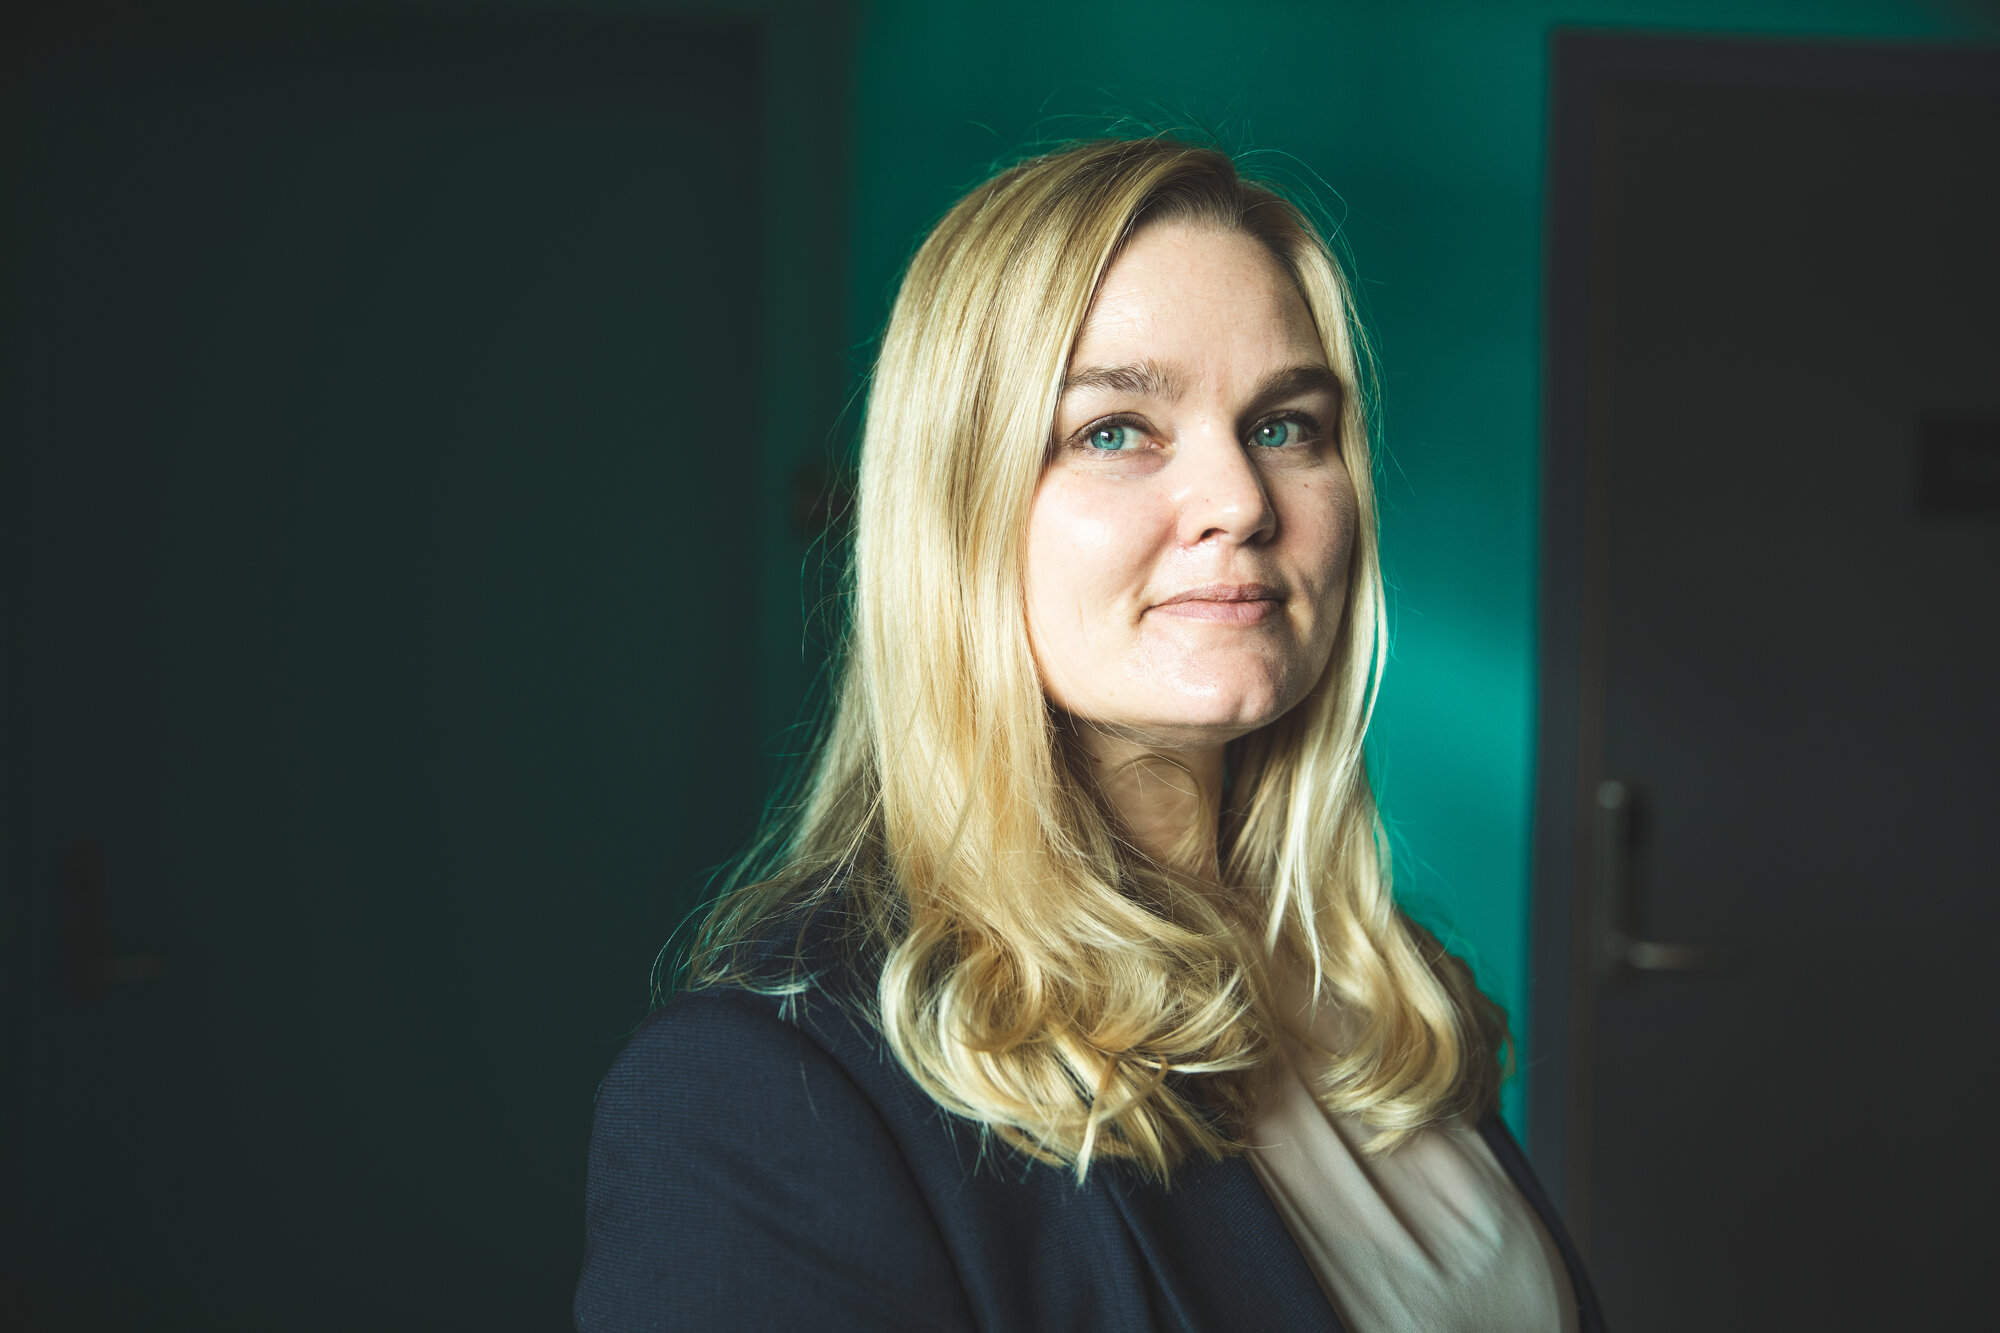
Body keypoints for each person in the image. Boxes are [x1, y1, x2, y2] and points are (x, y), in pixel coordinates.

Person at [573, 136, 1605, 1333]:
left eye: (1284, 426)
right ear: (956, 508)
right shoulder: (763, 1093)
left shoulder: (1384, 990)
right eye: (1114, 429)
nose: (1239, 501)